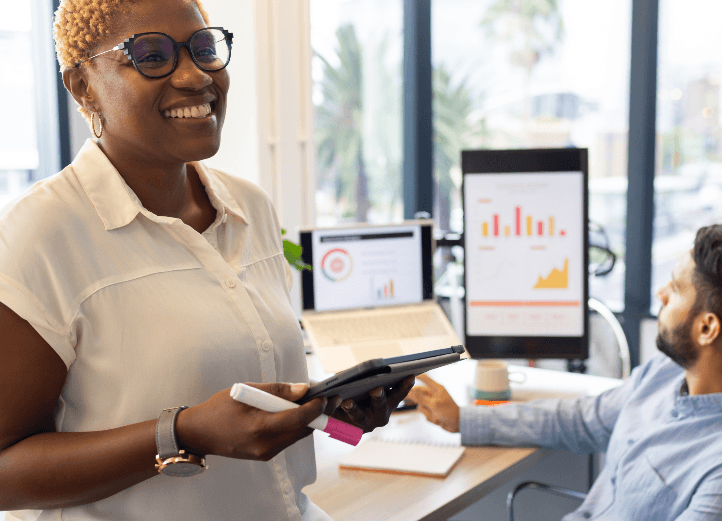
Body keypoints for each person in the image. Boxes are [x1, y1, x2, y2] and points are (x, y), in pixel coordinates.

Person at [0, 1, 413, 520]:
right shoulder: (38, 234)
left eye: (204, 49)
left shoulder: (249, 207)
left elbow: (254, 404)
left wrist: (334, 412)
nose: (196, 76)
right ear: (83, 85)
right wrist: (181, 433)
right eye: (152, 55)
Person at [409, 224, 722, 520]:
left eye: (677, 288)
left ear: (707, 327)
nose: (661, 294)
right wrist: (463, 419)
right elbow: (583, 419)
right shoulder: (669, 373)